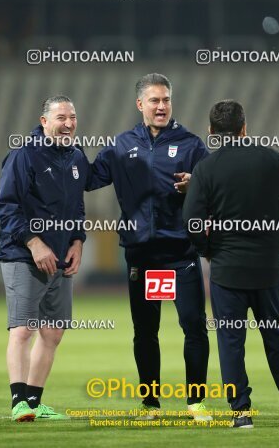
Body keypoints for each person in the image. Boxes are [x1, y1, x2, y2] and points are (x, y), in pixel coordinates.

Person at [86, 73, 211, 420]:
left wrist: (196, 186)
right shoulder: (121, 145)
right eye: (154, 100)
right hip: (143, 255)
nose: (161, 106)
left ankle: (196, 401)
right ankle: (150, 403)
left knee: (194, 326)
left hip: (179, 255)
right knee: (145, 332)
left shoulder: (191, 144)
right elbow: (89, 178)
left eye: (166, 99)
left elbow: (213, 190)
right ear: (140, 104)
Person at [183, 99, 279, 428]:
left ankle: (241, 412)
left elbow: (191, 219)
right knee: (277, 336)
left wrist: (208, 248)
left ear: (211, 132)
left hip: (227, 270)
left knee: (230, 341)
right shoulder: (272, 159)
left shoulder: (206, 169)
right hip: (268, 269)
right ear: (244, 127)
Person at [0, 96, 87, 422]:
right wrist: (34, 243)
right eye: (61, 117)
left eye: (72, 117)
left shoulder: (77, 157)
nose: (68, 123)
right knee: (23, 329)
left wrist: (78, 241)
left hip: (61, 257)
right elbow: (6, 208)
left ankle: (35, 403)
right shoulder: (24, 156)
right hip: (24, 255)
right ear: (44, 121)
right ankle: (18, 401)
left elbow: (77, 207)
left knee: (53, 333)